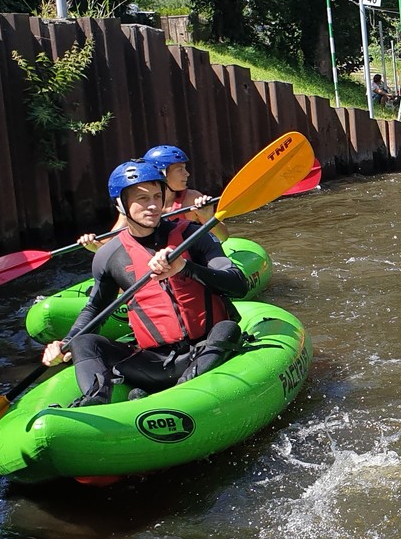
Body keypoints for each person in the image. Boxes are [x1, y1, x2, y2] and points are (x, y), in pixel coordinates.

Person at [44, 159, 248, 406]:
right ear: (120, 204)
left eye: (156, 196)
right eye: (142, 199)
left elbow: (238, 284)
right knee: (84, 342)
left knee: (227, 328)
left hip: (206, 349)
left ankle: (178, 394)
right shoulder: (109, 256)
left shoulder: (192, 235)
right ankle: (95, 403)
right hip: (155, 362)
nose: (152, 206)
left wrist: (185, 268)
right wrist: (65, 344)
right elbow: (95, 309)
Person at [78, 144, 226, 249]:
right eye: (180, 169)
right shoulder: (135, 209)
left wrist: (208, 217)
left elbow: (222, 238)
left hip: (187, 258)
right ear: (161, 173)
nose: (187, 174)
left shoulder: (191, 199)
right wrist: (94, 245)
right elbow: (110, 243)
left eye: (185, 169)